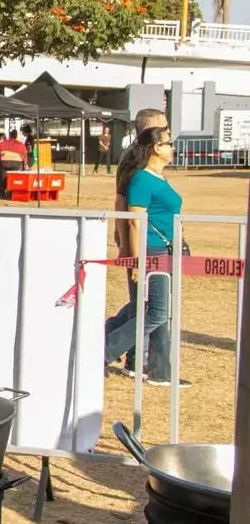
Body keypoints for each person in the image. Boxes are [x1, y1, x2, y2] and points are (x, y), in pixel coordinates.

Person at [103, 126, 191, 388]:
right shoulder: (142, 179)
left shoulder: (158, 177)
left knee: (151, 309)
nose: (172, 148)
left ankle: (159, 369)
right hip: (151, 250)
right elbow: (135, 223)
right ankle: (105, 351)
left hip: (166, 250)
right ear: (156, 148)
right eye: (169, 143)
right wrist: (137, 260)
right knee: (156, 311)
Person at [107, 109, 170, 378]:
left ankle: (146, 363)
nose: (168, 135)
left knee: (146, 307)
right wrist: (125, 245)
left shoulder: (148, 162)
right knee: (150, 308)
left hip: (153, 240)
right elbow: (124, 204)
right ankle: (111, 348)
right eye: (163, 129)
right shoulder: (133, 159)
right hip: (141, 241)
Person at [0, 130, 27, 199]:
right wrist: (25, 165)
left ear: (10, 135)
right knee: (14, 179)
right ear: (16, 136)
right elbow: (25, 155)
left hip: (5, 163)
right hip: (16, 164)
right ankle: (11, 194)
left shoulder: (2, 143)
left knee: (2, 179)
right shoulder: (21, 144)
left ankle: (1, 194)